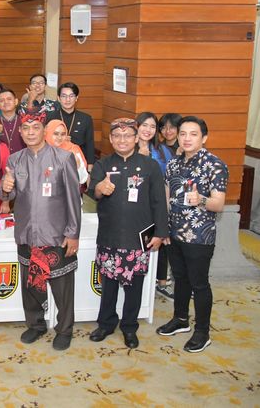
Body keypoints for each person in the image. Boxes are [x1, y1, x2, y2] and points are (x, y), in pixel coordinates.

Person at [0, 112, 81, 351]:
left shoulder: (64, 158)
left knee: (62, 287)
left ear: (44, 130)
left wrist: (73, 233)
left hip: (55, 235)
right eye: (26, 128)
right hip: (27, 233)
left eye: (36, 127)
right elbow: (6, 195)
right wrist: (4, 189)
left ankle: (64, 329)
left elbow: (74, 199)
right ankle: (35, 325)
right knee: (30, 285)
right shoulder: (15, 160)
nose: (31, 132)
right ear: (20, 133)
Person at [88, 118, 168, 349]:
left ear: (136, 138)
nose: (122, 140)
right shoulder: (103, 164)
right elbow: (93, 191)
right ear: (111, 139)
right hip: (110, 236)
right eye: (117, 136)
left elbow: (159, 202)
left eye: (127, 136)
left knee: (135, 287)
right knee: (109, 285)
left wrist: (160, 232)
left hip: (138, 237)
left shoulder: (150, 166)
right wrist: (100, 189)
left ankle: (130, 327)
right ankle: (105, 324)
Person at [157, 116, 227, 353]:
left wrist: (202, 199)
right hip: (175, 233)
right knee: (180, 278)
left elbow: (219, 204)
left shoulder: (215, 164)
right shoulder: (174, 163)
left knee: (199, 284)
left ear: (204, 138)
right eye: (183, 133)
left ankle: (202, 332)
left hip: (199, 236)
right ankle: (181, 320)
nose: (186, 138)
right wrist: (163, 228)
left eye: (193, 134)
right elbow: (166, 197)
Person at [136, 111, 174, 298]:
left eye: (152, 126)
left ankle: (156, 284)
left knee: (156, 243)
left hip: (155, 204)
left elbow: (168, 181)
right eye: (144, 125)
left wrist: (165, 209)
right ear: (137, 126)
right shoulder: (127, 145)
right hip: (134, 206)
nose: (148, 130)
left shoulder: (162, 151)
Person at [58, 82, 95, 170]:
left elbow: (90, 144)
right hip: (56, 161)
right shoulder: (50, 117)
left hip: (79, 162)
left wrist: (89, 169)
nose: (68, 99)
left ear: (76, 98)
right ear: (58, 98)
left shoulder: (86, 118)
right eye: (64, 96)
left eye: (71, 96)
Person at [44, 119, 88, 185]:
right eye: (56, 134)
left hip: (67, 191)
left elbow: (82, 179)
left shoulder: (73, 149)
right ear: (48, 133)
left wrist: (78, 166)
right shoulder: (40, 150)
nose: (59, 137)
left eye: (63, 134)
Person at [0, 89, 25, 156]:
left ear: (16, 101)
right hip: (0, 162)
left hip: (22, 162)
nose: (6, 102)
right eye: (2, 100)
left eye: (9, 99)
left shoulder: (25, 121)